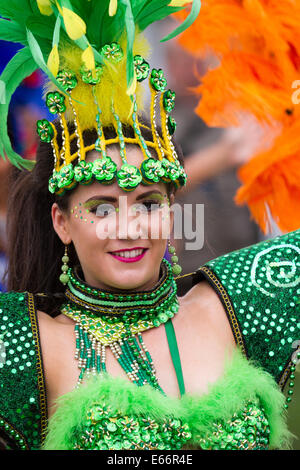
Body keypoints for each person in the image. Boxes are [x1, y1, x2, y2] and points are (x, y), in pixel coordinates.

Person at [0, 1, 299, 451]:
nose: (131, 227)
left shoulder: (238, 302)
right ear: (62, 223)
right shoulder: (28, 346)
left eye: (148, 202)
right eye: (101, 208)